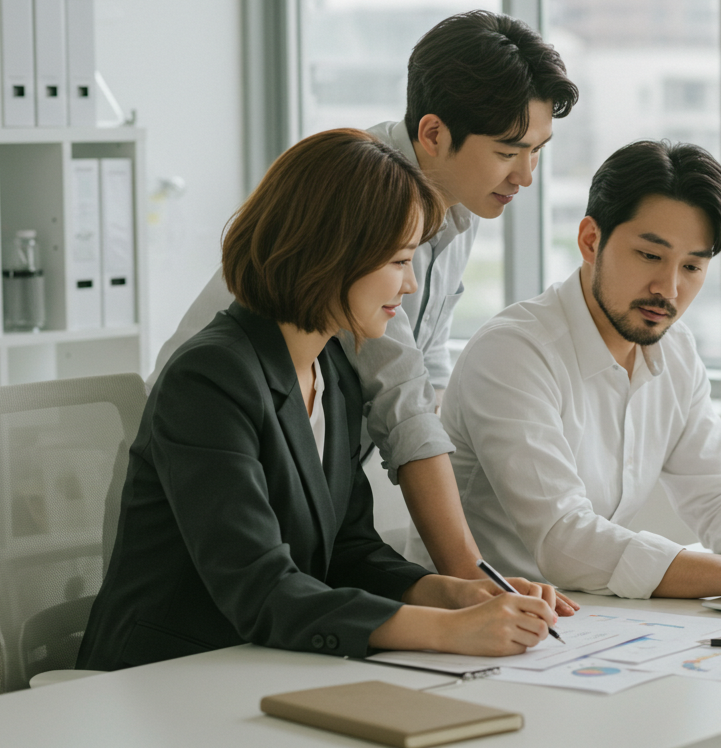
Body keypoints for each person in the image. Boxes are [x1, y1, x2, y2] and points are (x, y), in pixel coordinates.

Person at [413, 140, 721, 747]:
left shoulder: (674, 351)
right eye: (649, 255)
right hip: (497, 640)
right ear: (590, 240)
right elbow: (565, 540)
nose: (669, 288)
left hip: (601, 629)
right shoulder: (515, 352)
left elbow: (720, 498)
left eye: (692, 267)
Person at [76, 129, 560, 671]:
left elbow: (349, 551)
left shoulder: (331, 370)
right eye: (399, 262)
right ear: (332, 255)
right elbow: (261, 589)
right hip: (167, 674)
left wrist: (450, 593)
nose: (409, 286)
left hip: (264, 664)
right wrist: (449, 631)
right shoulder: (208, 379)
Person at [149, 11, 580, 592]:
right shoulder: (365, 196)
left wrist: (462, 589)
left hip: (304, 491)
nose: (526, 176)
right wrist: (471, 581)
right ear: (434, 134)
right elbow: (400, 398)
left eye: (537, 151)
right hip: (211, 474)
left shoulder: (461, 200)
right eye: (509, 152)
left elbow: (425, 371)